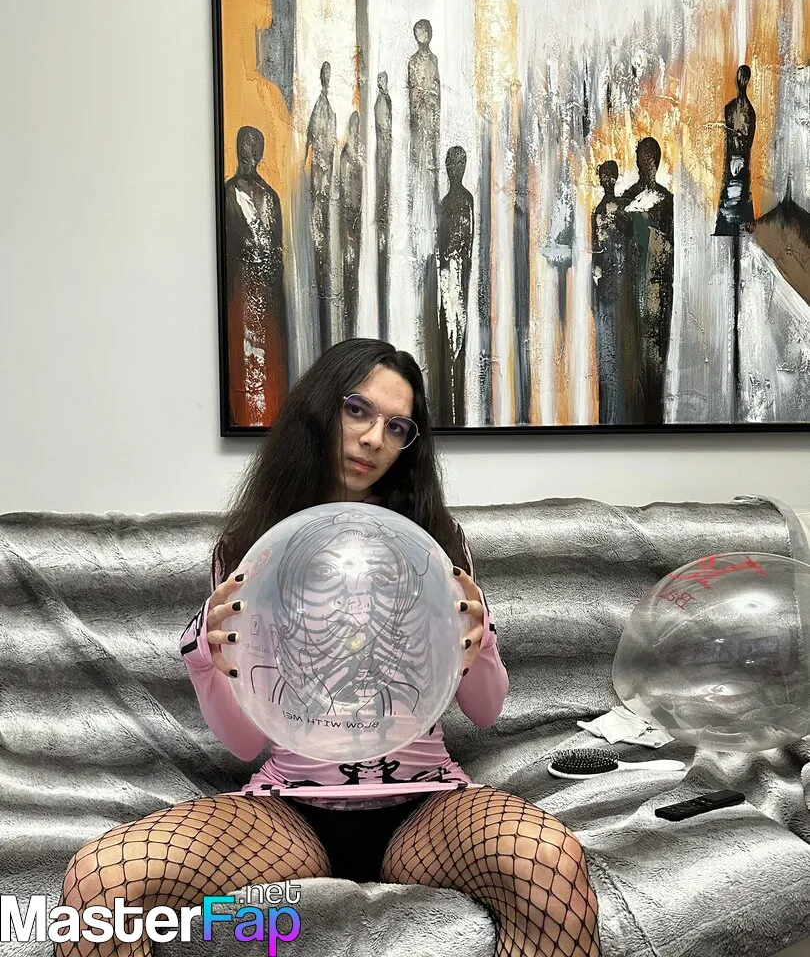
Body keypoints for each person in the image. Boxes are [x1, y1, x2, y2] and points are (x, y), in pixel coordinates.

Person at [56, 339, 601, 957]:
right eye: (357, 410)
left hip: (423, 805)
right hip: (290, 811)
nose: (373, 439)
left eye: (397, 427)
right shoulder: (248, 547)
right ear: (320, 410)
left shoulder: (437, 540)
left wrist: (480, 643)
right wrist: (207, 656)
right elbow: (245, 743)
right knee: (101, 881)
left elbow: (484, 710)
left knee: (551, 860)